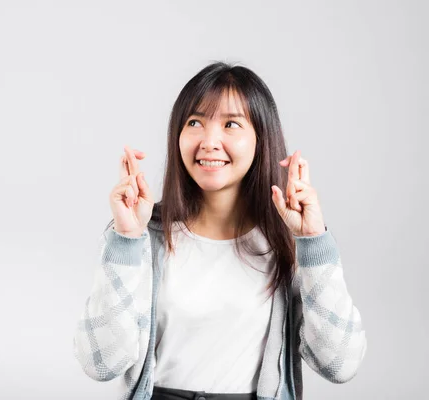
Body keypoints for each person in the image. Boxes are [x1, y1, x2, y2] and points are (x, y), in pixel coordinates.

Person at [73, 61, 367, 400]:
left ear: (261, 139)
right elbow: (99, 364)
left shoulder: (286, 241)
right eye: (195, 122)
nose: (210, 141)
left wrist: (313, 241)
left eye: (231, 124)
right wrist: (125, 239)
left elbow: (339, 365)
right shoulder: (145, 233)